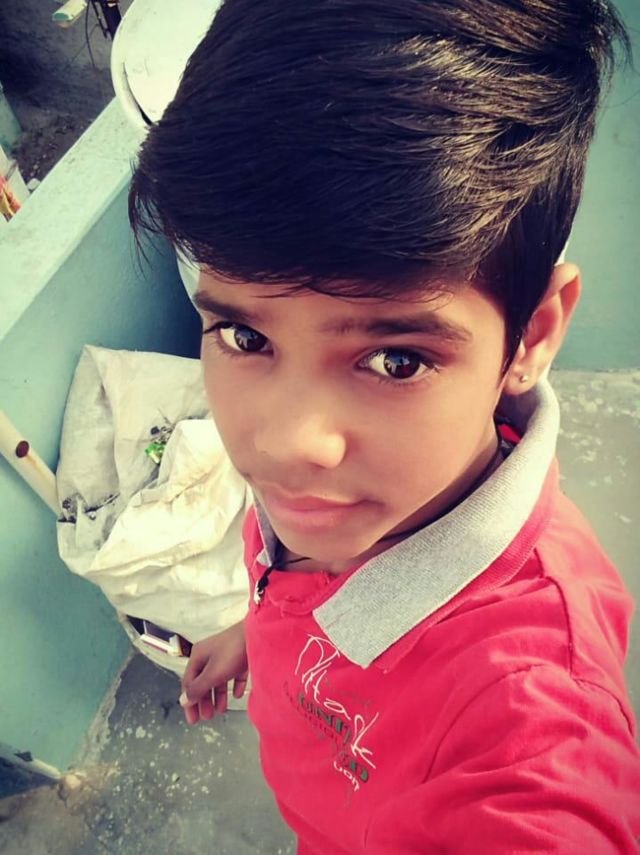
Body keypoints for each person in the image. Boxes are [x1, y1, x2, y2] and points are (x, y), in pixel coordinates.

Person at [128, 1, 640, 851]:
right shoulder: (347, 496)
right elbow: (306, 580)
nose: (286, 444)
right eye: (245, 336)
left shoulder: (530, 723)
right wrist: (255, 633)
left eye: (396, 359)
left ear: (531, 337)